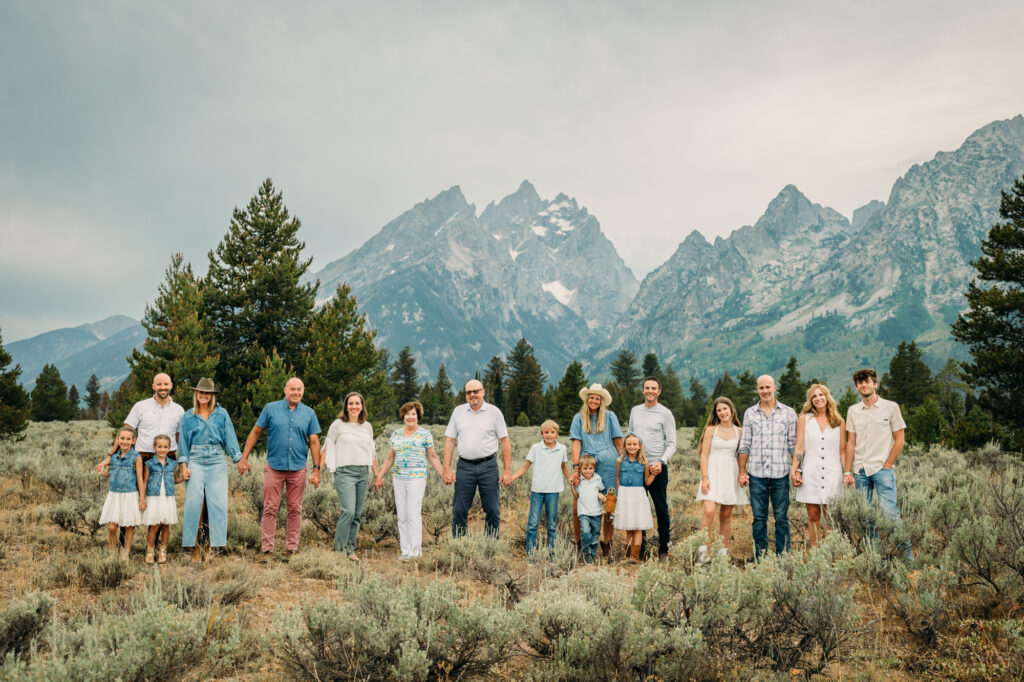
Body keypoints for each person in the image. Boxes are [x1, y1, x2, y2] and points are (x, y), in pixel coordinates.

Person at [96, 372, 184, 549]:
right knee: (131, 498)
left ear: (171, 385)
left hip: (167, 459)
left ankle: (152, 547)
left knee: (160, 499)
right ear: (153, 386)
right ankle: (123, 545)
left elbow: (178, 436)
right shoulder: (140, 406)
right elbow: (125, 432)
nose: (163, 387)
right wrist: (109, 458)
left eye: (166, 384)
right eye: (159, 384)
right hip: (142, 457)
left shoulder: (179, 410)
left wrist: (181, 462)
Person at [239, 377, 322, 557]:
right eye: (292, 389)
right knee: (270, 508)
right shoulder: (271, 409)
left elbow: (314, 441)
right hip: (274, 466)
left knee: (295, 509)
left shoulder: (309, 413)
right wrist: (244, 458)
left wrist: (316, 469)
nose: (296, 392)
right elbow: (255, 432)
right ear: (285, 390)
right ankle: (267, 549)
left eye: (299, 389)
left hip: (298, 467)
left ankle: (291, 549)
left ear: (303, 391)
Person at [845, 368, 912, 563]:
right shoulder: (853, 411)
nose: (863, 385)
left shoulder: (890, 408)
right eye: (859, 383)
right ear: (857, 387)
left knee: (890, 516)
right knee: (866, 517)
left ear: (875, 383)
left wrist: (888, 464)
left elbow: (899, 440)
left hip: (882, 470)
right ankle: (875, 560)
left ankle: (908, 561)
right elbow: (851, 442)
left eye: (866, 381)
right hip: (860, 471)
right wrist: (848, 470)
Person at [178, 378, 242, 561]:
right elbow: (183, 442)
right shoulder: (189, 415)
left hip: (216, 459)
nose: (203, 395)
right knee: (195, 505)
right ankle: (195, 547)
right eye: (200, 392)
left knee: (216, 505)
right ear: (196, 394)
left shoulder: (221, 414)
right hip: (195, 459)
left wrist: (239, 459)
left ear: (212, 395)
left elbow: (229, 438)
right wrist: (184, 465)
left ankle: (211, 547)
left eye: (207, 393)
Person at [442, 379, 512, 538]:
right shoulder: (458, 412)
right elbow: (450, 440)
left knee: (493, 510)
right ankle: (460, 546)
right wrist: (446, 468)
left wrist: (507, 471)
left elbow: (505, 441)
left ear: (483, 392)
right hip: (465, 467)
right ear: (465, 395)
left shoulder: (494, 412)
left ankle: (490, 545)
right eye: (469, 392)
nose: (472, 395)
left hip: (488, 466)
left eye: (476, 391)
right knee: (459, 509)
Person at [738, 375, 797, 559]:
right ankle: (761, 558)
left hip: (780, 474)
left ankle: (783, 558)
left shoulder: (788, 413)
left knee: (781, 519)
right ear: (757, 390)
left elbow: (793, 444)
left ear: (774, 387)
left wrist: (797, 469)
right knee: (759, 519)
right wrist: (742, 471)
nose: (765, 391)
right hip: (756, 474)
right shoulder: (750, 413)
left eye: (768, 387)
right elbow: (745, 443)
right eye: (761, 388)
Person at [375, 400, 444, 560]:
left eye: (413, 414)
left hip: (416, 478)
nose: (410, 417)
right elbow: (389, 459)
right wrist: (380, 476)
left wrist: (443, 473)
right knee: (402, 515)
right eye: (407, 414)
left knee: (413, 513)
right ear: (403, 416)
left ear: (418, 416)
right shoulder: (396, 434)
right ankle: (405, 551)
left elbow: (432, 457)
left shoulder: (425, 434)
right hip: (399, 478)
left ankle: (416, 551)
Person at [569, 383, 623, 558]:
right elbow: (576, 443)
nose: (594, 400)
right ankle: (579, 544)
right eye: (591, 397)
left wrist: (623, 463)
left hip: (608, 464)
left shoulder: (610, 416)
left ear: (601, 401)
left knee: (609, 505)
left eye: (597, 398)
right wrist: (576, 468)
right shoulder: (579, 418)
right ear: (587, 399)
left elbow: (617, 441)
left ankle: (606, 543)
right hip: (586, 465)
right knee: (579, 504)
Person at [323, 392, 378, 559]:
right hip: (344, 472)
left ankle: (350, 550)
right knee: (348, 510)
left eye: (357, 403)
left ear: (362, 406)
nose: (354, 406)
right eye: (351, 403)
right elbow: (326, 446)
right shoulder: (338, 425)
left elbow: (372, 452)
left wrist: (377, 475)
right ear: (346, 406)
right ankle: (339, 551)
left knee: (356, 514)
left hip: (363, 472)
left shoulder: (367, 426)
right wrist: (317, 469)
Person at [790, 384, 846, 548]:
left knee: (830, 516)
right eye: (814, 396)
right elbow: (799, 447)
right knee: (813, 514)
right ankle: (815, 553)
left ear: (827, 397)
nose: (818, 398)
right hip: (811, 471)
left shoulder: (839, 421)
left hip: (832, 472)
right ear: (811, 400)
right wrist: (795, 469)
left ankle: (829, 552)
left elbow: (842, 451)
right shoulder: (804, 419)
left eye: (821, 395)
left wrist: (847, 472)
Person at [628, 376, 677, 561]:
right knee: (638, 508)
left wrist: (661, 462)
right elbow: (630, 436)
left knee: (661, 508)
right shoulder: (635, 411)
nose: (650, 391)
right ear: (643, 390)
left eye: (653, 388)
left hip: (657, 468)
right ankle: (640, 548)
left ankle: (663, 549)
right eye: (647, 388)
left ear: (659, 391)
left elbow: (672, 444)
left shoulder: (665, 413)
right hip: (637, 466)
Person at [695, 397, 748, 561]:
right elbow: (703, 455)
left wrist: (742, 473)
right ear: (716, 413)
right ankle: (702, 552)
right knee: (709, 511)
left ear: (731, 409)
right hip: (711, 473)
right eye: (719, 410)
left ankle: (722, 553)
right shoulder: (711, 430)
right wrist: (705, 478)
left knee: (725, 515)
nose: (723, 412)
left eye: (725, 408)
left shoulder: (740, 431)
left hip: (730, 474)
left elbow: (742, 455)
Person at [510, 420, 571, 557]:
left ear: (557, 433)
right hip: (537, 490)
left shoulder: (562, 449)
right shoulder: (535, 448)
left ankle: (552, 555)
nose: (549, 435)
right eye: (546, 432)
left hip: (553, 491)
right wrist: (512, 478)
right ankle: (531, 554)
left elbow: (563, 468)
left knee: (551, 525)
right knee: (532, 524)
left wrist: (571, 478)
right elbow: (525, 468)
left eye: (552, 432)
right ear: (542, 434)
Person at [97, 425, 145, 561]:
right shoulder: (114, 457)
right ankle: (112, 554)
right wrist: (104, 473)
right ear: (117, 439)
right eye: (122, 438)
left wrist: (142, 499)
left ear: (133, 441)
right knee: (112, 527)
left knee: (129, 525)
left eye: (128, 439)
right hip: (115, 495)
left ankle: (125, 554)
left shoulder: (136, 458)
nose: (125, 441)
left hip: (130, 495)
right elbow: (111, 474)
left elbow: (140, 479)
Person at [141, 434, 184, 564]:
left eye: (165, 447)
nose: (162, 449)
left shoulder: (172, 464)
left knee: (165, 525)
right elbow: (145, 482)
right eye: (159, 446)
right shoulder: (149, 464)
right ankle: (150, 551)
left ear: (169, 448)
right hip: (154, 497)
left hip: (167, 497)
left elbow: (175, 480)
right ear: (154, 447)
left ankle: (163, 551)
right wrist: (142, 499)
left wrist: (184, 477)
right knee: (154, 525)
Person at [615, 433, 655, 562]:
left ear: (639, 446)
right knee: (629, 527)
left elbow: (647, 482)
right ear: (625, 446)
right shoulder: (620, 461)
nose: (632, 447)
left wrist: (653, 474)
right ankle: (628, 555)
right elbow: (618, 477)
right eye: (629, 444)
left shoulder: (644, 462)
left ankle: (635, 556)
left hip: (638, 495)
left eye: (634, 444)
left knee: (638, 526)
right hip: (625, 494)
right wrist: (619, 492)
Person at [574, 454, 606, 564]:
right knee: (586, 532)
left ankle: (592, 555)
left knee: (595, 534)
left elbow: (600, 491)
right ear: (581, 468)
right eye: (585, 468)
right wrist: (571, 485)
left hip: (596, 512)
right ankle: (585, 551)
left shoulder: (597, 478)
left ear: (594, 468)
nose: (588, 471)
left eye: (590, 468)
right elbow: (576, 495)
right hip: (584, 512)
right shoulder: (579, 480)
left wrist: (601, 496)